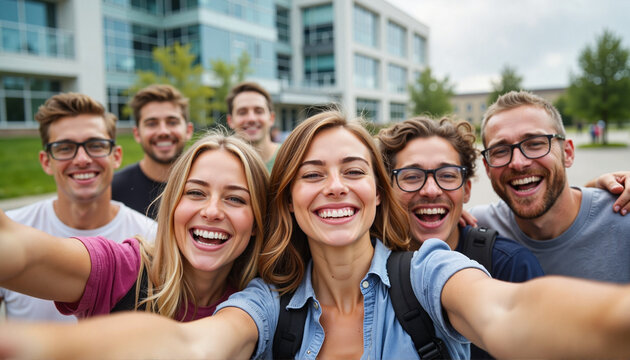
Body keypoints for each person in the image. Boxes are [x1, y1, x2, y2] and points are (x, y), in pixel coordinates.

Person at [4, 111, 630, 359]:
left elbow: (510, 310)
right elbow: (193, 347)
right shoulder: (265, 302)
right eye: (311, 174)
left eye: (354, 171)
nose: (334, 186)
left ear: (378, 193)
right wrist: (31, 347)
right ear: (290, 202)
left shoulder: (430, 270)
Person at [0, 131, 268, 323]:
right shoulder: (121, 269)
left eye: (235, 198)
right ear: (173, 204)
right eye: (196, 193)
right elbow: (20, 251)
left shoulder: (264, 301)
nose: (211, 211)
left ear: (257, 220)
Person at [377, 116, 544, 359]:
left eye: (447, 175)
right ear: (386, 189)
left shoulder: (509, 267)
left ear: (466, 189)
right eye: (412, 176)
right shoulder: (367, 269)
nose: (431, 190)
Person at [0, 93, 156, 323]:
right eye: (65, 148)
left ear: (116, 156)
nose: (82, 159)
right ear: (46, 161)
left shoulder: (152, 237)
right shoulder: (12, 232)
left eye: (95, 145)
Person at [472, 90, 630, 282]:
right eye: (500, 151)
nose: (518, 163)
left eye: (535, 144)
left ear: (568, 153)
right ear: (487, 168)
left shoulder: (623, 217)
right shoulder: (476, 227)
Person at [112, 84, 193, 218]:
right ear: (137, 133)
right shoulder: (114, 189)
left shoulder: (207, 186)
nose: (163, 131)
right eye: (151, 123)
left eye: (172, 122)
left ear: (188, 130)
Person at [226, 82, 280, 172]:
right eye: (242, 112)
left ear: (271, 118)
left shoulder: (292, 158)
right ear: (230, 121)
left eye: (259, 111)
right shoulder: (222, 164)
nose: (251, 119)